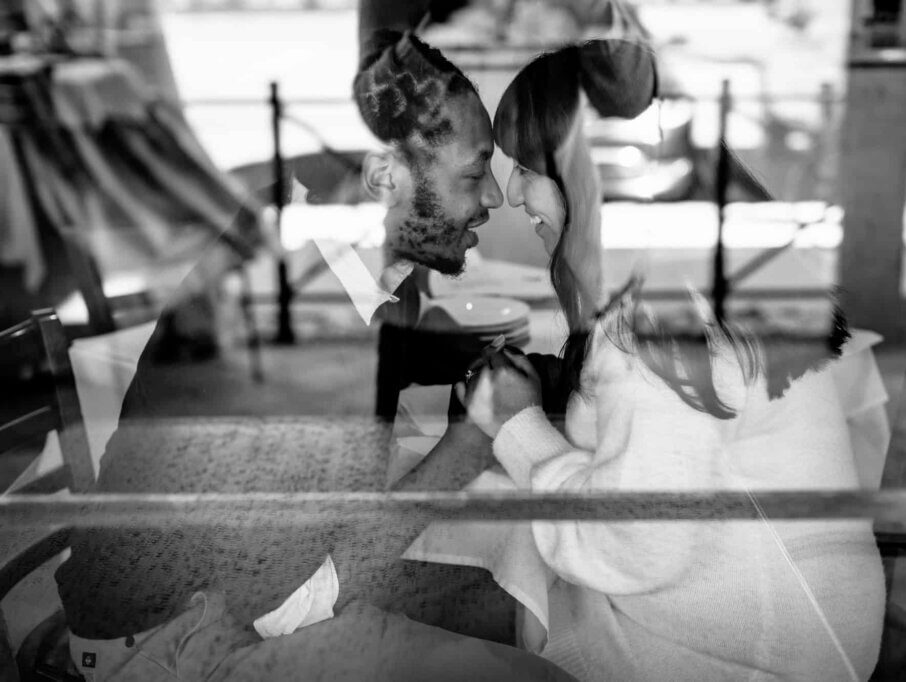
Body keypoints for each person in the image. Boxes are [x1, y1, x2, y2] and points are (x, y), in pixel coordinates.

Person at [52, 29, 575, 682]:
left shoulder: (319, 245)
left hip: (231, 588)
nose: (495, 198)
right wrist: (467, 446)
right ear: (383, 176)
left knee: (504, 607)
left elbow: (381, 348)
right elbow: (292, 604)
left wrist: (458, 357)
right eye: (474, 175)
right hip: (174, 639)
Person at [428, 40, 886, 682]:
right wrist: (563, 389)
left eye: (527, 169)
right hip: (773, 628)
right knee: (479, 561)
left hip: (752, 661)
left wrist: (517, 427)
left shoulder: (658, 327)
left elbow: (630, 545)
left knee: (435, 599)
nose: (510, 194)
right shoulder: (698, 277)